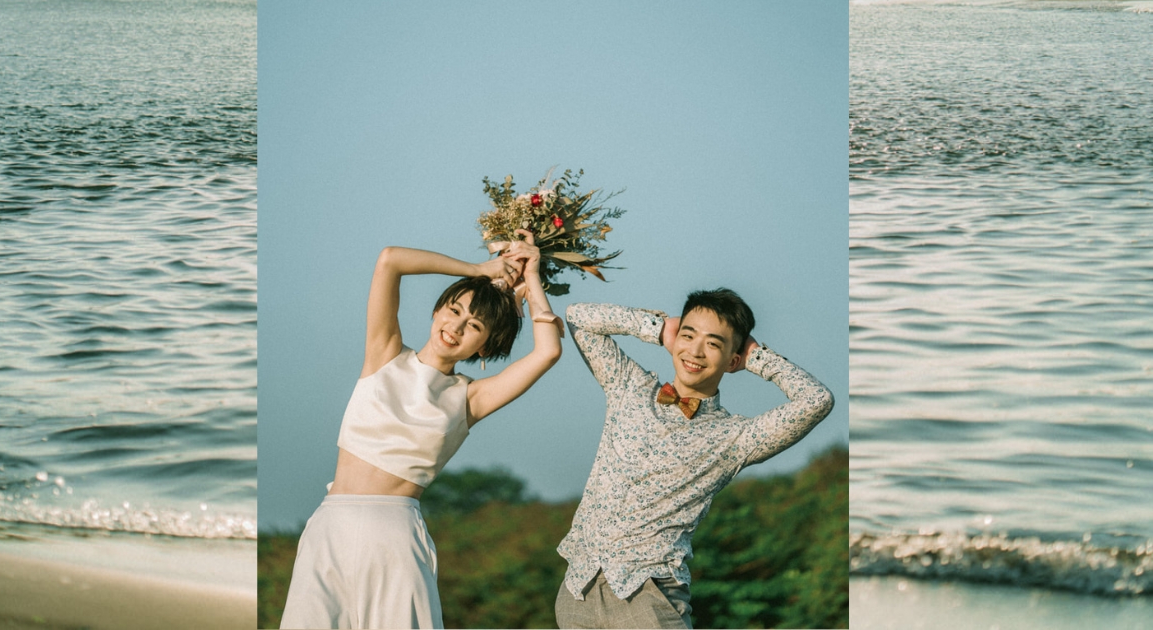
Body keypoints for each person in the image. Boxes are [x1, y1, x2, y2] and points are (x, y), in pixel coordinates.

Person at [280, 229, 562, 630]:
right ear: (437, 310)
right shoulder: (384, 353)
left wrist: (532, 275)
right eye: (454, 310)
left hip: (395, 534)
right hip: (330, 526)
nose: (457, 326)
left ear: (483, 346)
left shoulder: (470, 398)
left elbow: (548, 351)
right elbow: (390, 259)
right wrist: (479, 269)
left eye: (475, 326)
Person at [554, 289, 834, 629]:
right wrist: (657, 328)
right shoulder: (628, 386)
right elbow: (578, 316)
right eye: (689, 335)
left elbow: (816, 400)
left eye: (714, 344)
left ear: (733, 361)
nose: (696, 351)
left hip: (648, 594)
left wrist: (758, 359)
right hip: (577, 591)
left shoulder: (735, 437)